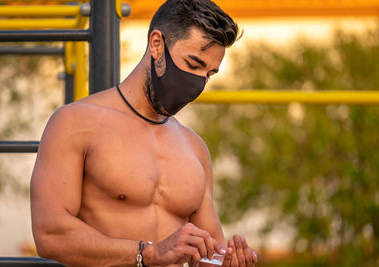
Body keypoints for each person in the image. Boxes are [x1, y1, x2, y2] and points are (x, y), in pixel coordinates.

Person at [30, 0, 259, 266]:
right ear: (156, 44)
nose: (199, 83)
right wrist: (147, 253)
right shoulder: (76, 123)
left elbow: (209, 255)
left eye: (209, 74)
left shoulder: (194, 147)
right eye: (193, 64)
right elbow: (50, 234)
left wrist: (229, 262)